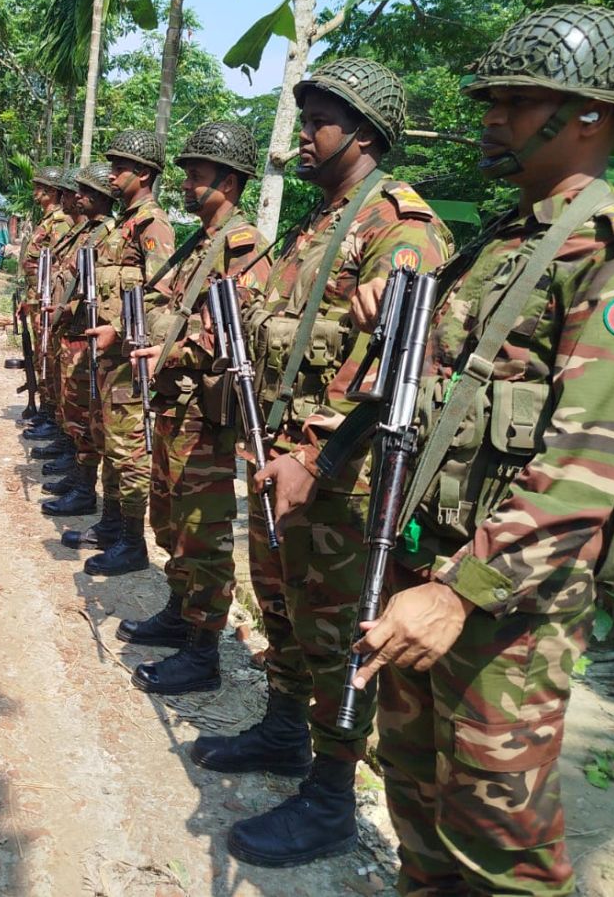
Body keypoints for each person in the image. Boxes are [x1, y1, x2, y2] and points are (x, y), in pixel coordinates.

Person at [333, 6, 614, 894]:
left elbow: (583, 473)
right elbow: (453, 398)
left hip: (506, 608)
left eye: (515, 100)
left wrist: (458, 595)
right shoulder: (507, 242)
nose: (491, 117)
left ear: (589, 115)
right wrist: (395, 327)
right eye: (491, 99)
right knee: (417, 802)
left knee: (500, 843)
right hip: (429, 569)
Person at [189, 58, 453, 868]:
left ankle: (333, 797)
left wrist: (314, 455)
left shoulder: (401, 230)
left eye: (319, 121)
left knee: (339, 632)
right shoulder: (318, 225)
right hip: (285, 463)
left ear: (364, 133)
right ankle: (281, 732)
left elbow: (401, 369)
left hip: (344, 481)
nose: (304, 136)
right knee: (285, 609)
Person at [120, 122, 271, 695]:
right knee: (171, 521)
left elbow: (234, 336)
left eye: (198, 176)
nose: (185, 184)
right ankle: (180, 613)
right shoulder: (202, 242)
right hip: (174, 405)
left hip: (206, 416)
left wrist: (170, 350)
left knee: (203, 534)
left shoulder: (243, 247)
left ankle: (203, 649)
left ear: (228, 182)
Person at [68, 131, 175, 569]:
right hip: (108, 359)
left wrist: (118, 330)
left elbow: (163, 295)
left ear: (143, 174)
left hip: (130, 359)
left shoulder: (153, 226)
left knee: (131, 452)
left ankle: (133, 544)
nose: (111, 175)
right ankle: (112, 524)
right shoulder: (122, 225)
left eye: (120, 168)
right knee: (109, 443)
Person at [41, 164, 117, 517]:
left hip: (85, 333)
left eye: (85, 191)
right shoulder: (89, 231)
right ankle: (78, 477)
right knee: (73, 409)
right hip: (70, 330)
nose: (75, 196)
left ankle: (85, 488)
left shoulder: (105, 232)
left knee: (85, 415)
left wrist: (66, 309)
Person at [18, 165, 72, 427]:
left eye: (40, 188)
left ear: (52, 192)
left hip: (48, 302)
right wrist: (29, 300)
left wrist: (42, 301)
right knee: (42, 356)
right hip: (37, 299)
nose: (35, 192)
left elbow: (57, 267)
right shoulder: (47, 221)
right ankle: (45, 408)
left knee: (49, 357)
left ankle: (51, 413)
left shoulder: (60, 222)